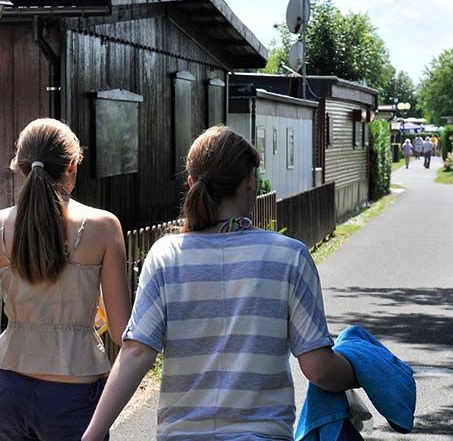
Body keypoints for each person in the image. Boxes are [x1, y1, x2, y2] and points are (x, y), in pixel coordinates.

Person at [81, 126, 356, 441]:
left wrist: (93, 434)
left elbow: (136, 353)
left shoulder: (166, 256)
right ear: (251, 179)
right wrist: (361, 368)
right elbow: (319, 368)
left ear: (191, 184)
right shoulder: (288, 256)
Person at [0, 119, 131, 441]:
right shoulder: (103, 228)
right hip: (75, 395)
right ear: (72, 166)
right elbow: (121, 331)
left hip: (12, 392)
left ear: (20, 169)